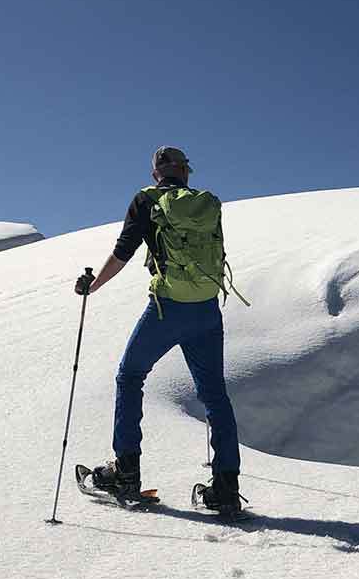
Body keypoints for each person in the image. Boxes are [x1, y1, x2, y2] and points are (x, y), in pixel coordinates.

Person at [74, 145, 243, 514]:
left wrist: (93, 285)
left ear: (156, 175)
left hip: (167, 309)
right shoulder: (205, 205)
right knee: (214, 396)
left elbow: (123, 252)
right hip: (207, 309)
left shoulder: (146, 200)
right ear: (186, 172)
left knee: (130, 374)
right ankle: (226, 488)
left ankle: (126, 470)